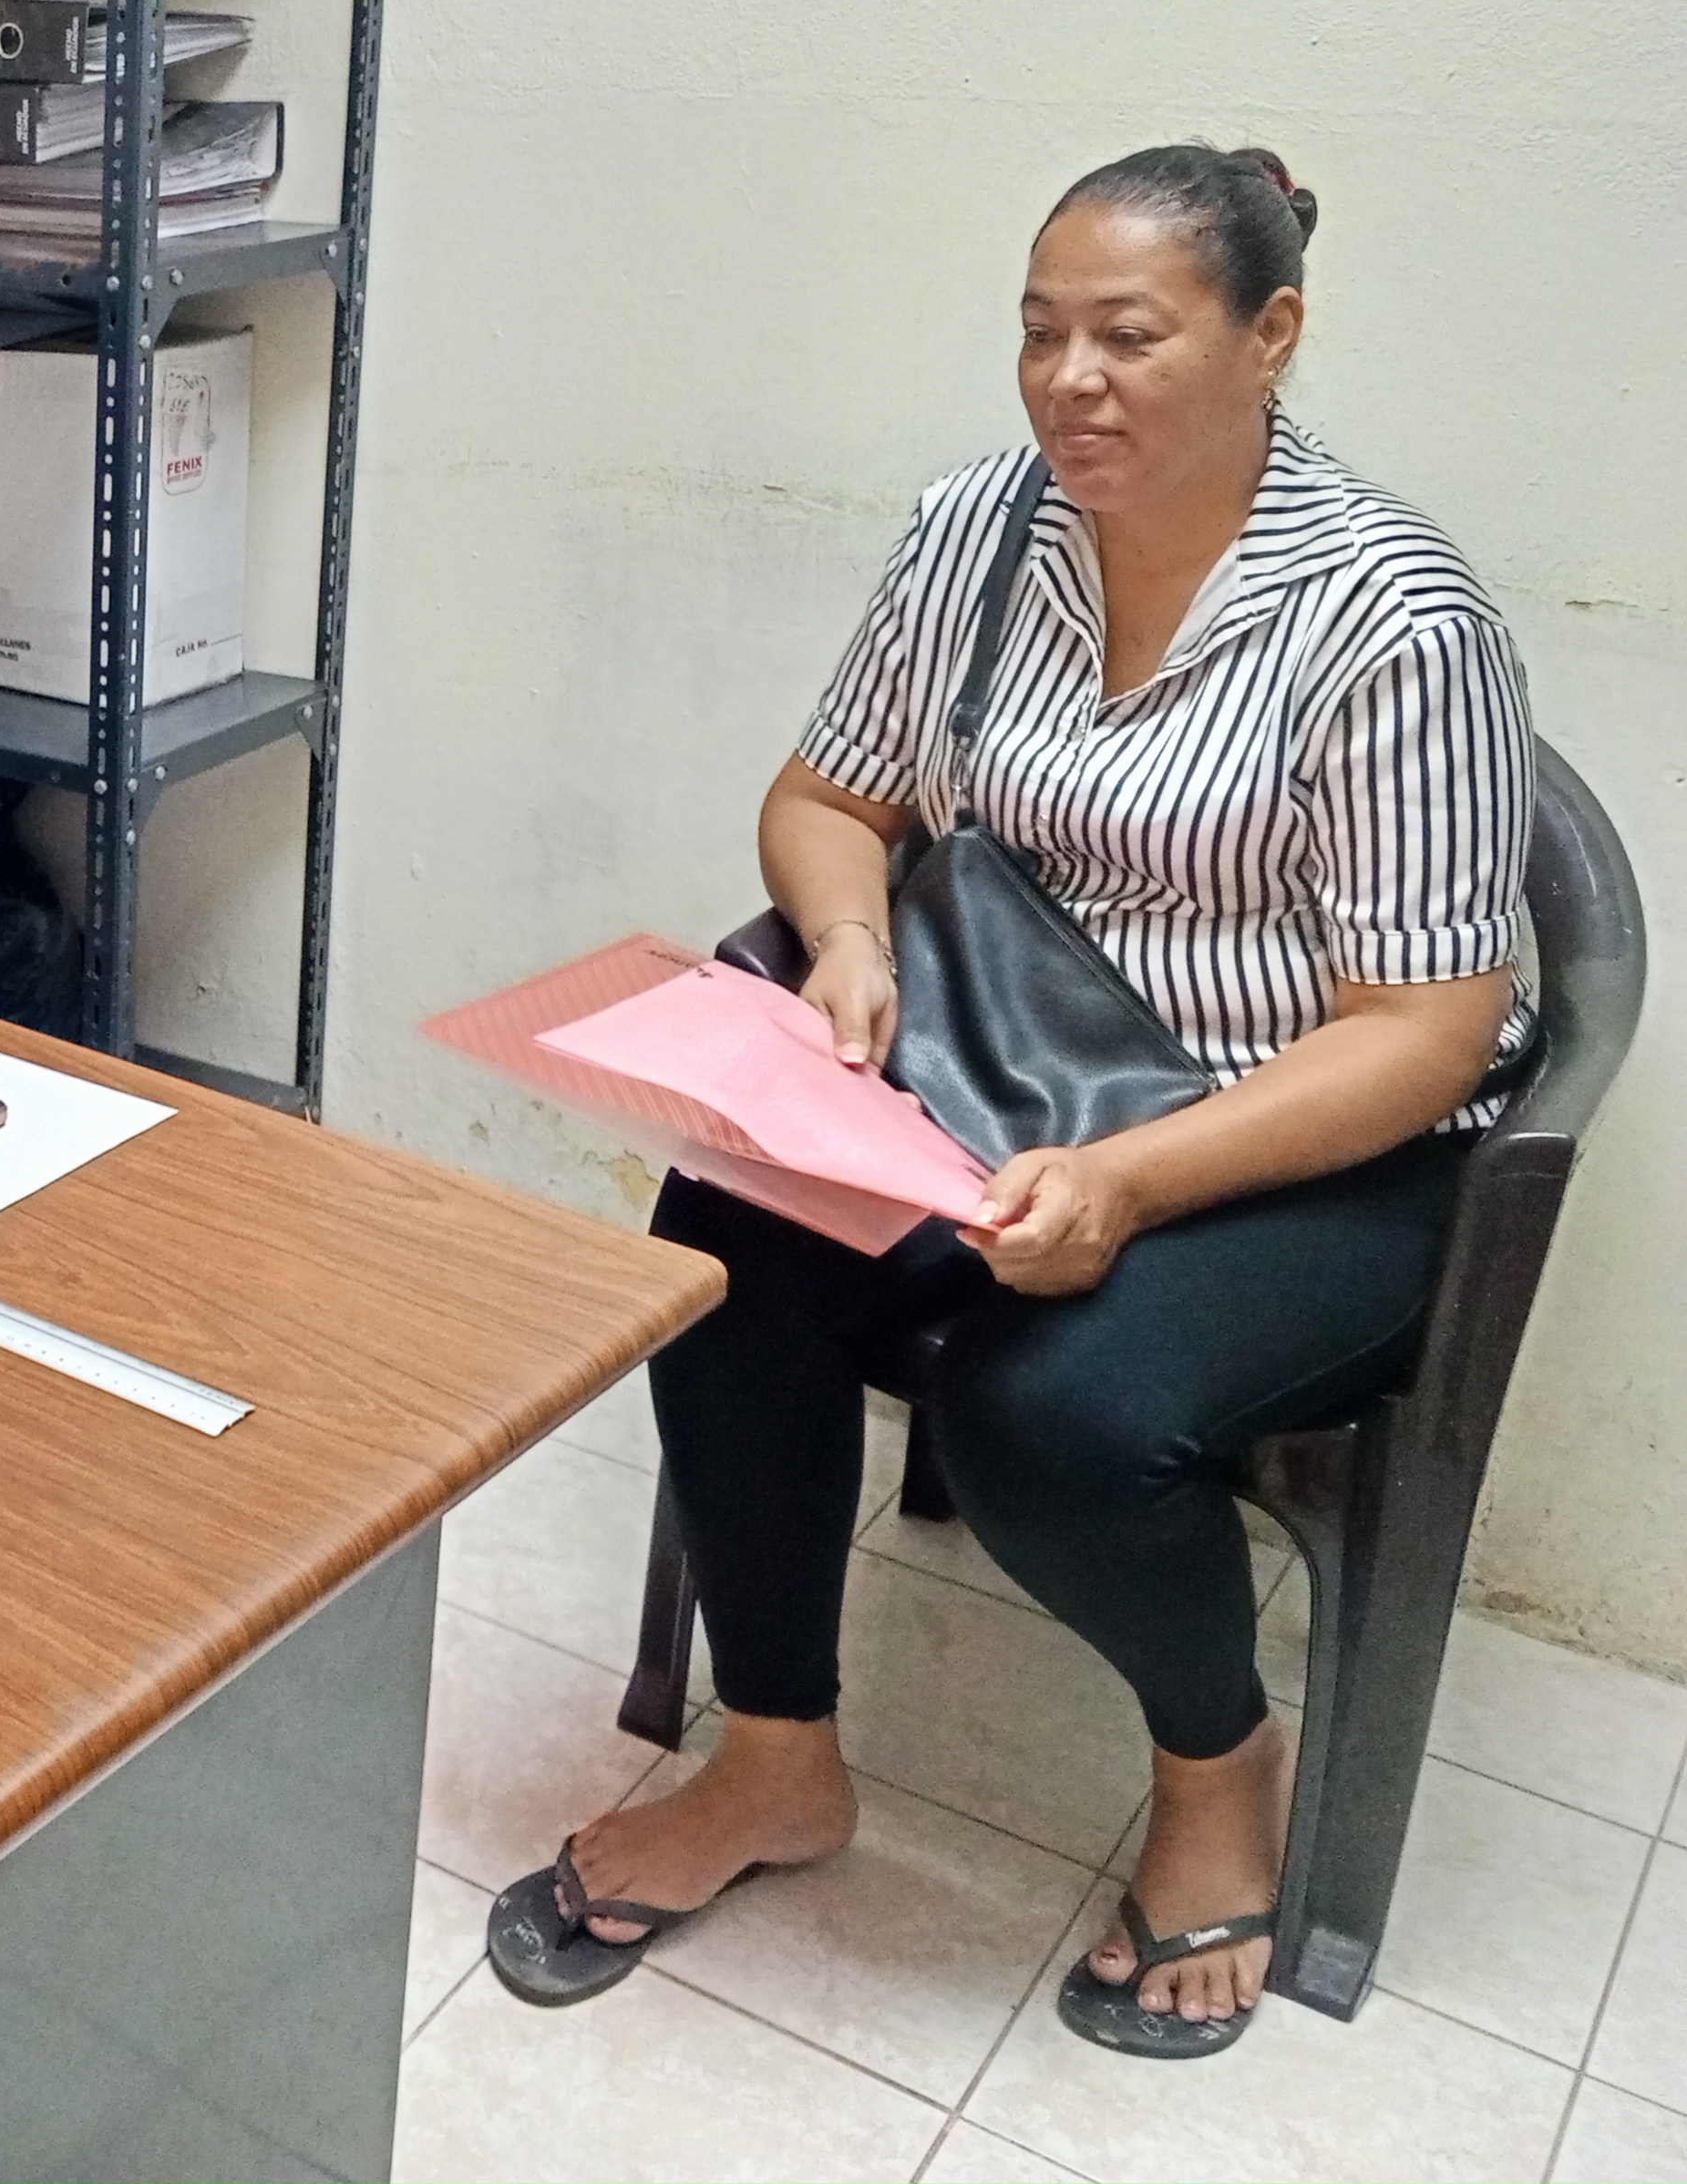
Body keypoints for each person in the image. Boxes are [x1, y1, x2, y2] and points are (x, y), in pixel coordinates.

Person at [486, 146, 1534, 2057]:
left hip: (1299, 1140)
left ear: (1270, 335)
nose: (1072, 382)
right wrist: (846, 944)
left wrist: (1130, 1183)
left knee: (1049, 1406)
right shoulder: (981, 528)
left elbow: (1425, 1030)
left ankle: (1218, 1761)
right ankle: (777, 1757)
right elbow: (830, 796)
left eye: (1128, 337)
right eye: (1040, 334)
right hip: (1002, 1071)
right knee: (724, 1243)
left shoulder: (1395, 617)